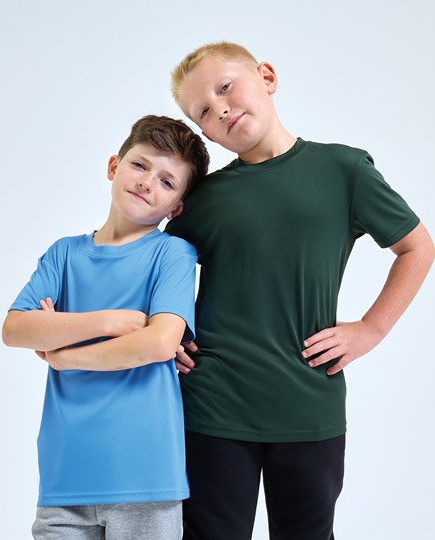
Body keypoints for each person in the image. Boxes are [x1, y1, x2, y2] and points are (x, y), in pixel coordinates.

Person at [165, 42, 435, 540]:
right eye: (203, 110)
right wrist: (167, 335)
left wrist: (371, 328)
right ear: (205, 132)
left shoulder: (344, 170)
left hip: (311, 400)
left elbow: (417, 247)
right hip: (213, 404)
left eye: (225, 87)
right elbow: (158, 269)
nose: (219, 107)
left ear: (267, 77)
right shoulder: (202, 199)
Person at [2, 115, 209, 540]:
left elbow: (159, 343)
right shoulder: (63, 254)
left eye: (167, 182)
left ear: (176, 207)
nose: (147, 182)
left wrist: (63, 354)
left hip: (147, 478)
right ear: (114, 166)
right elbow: (15, 329)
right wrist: (111, 321)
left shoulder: (172, 255)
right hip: (63, 479)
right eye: (140, 165)